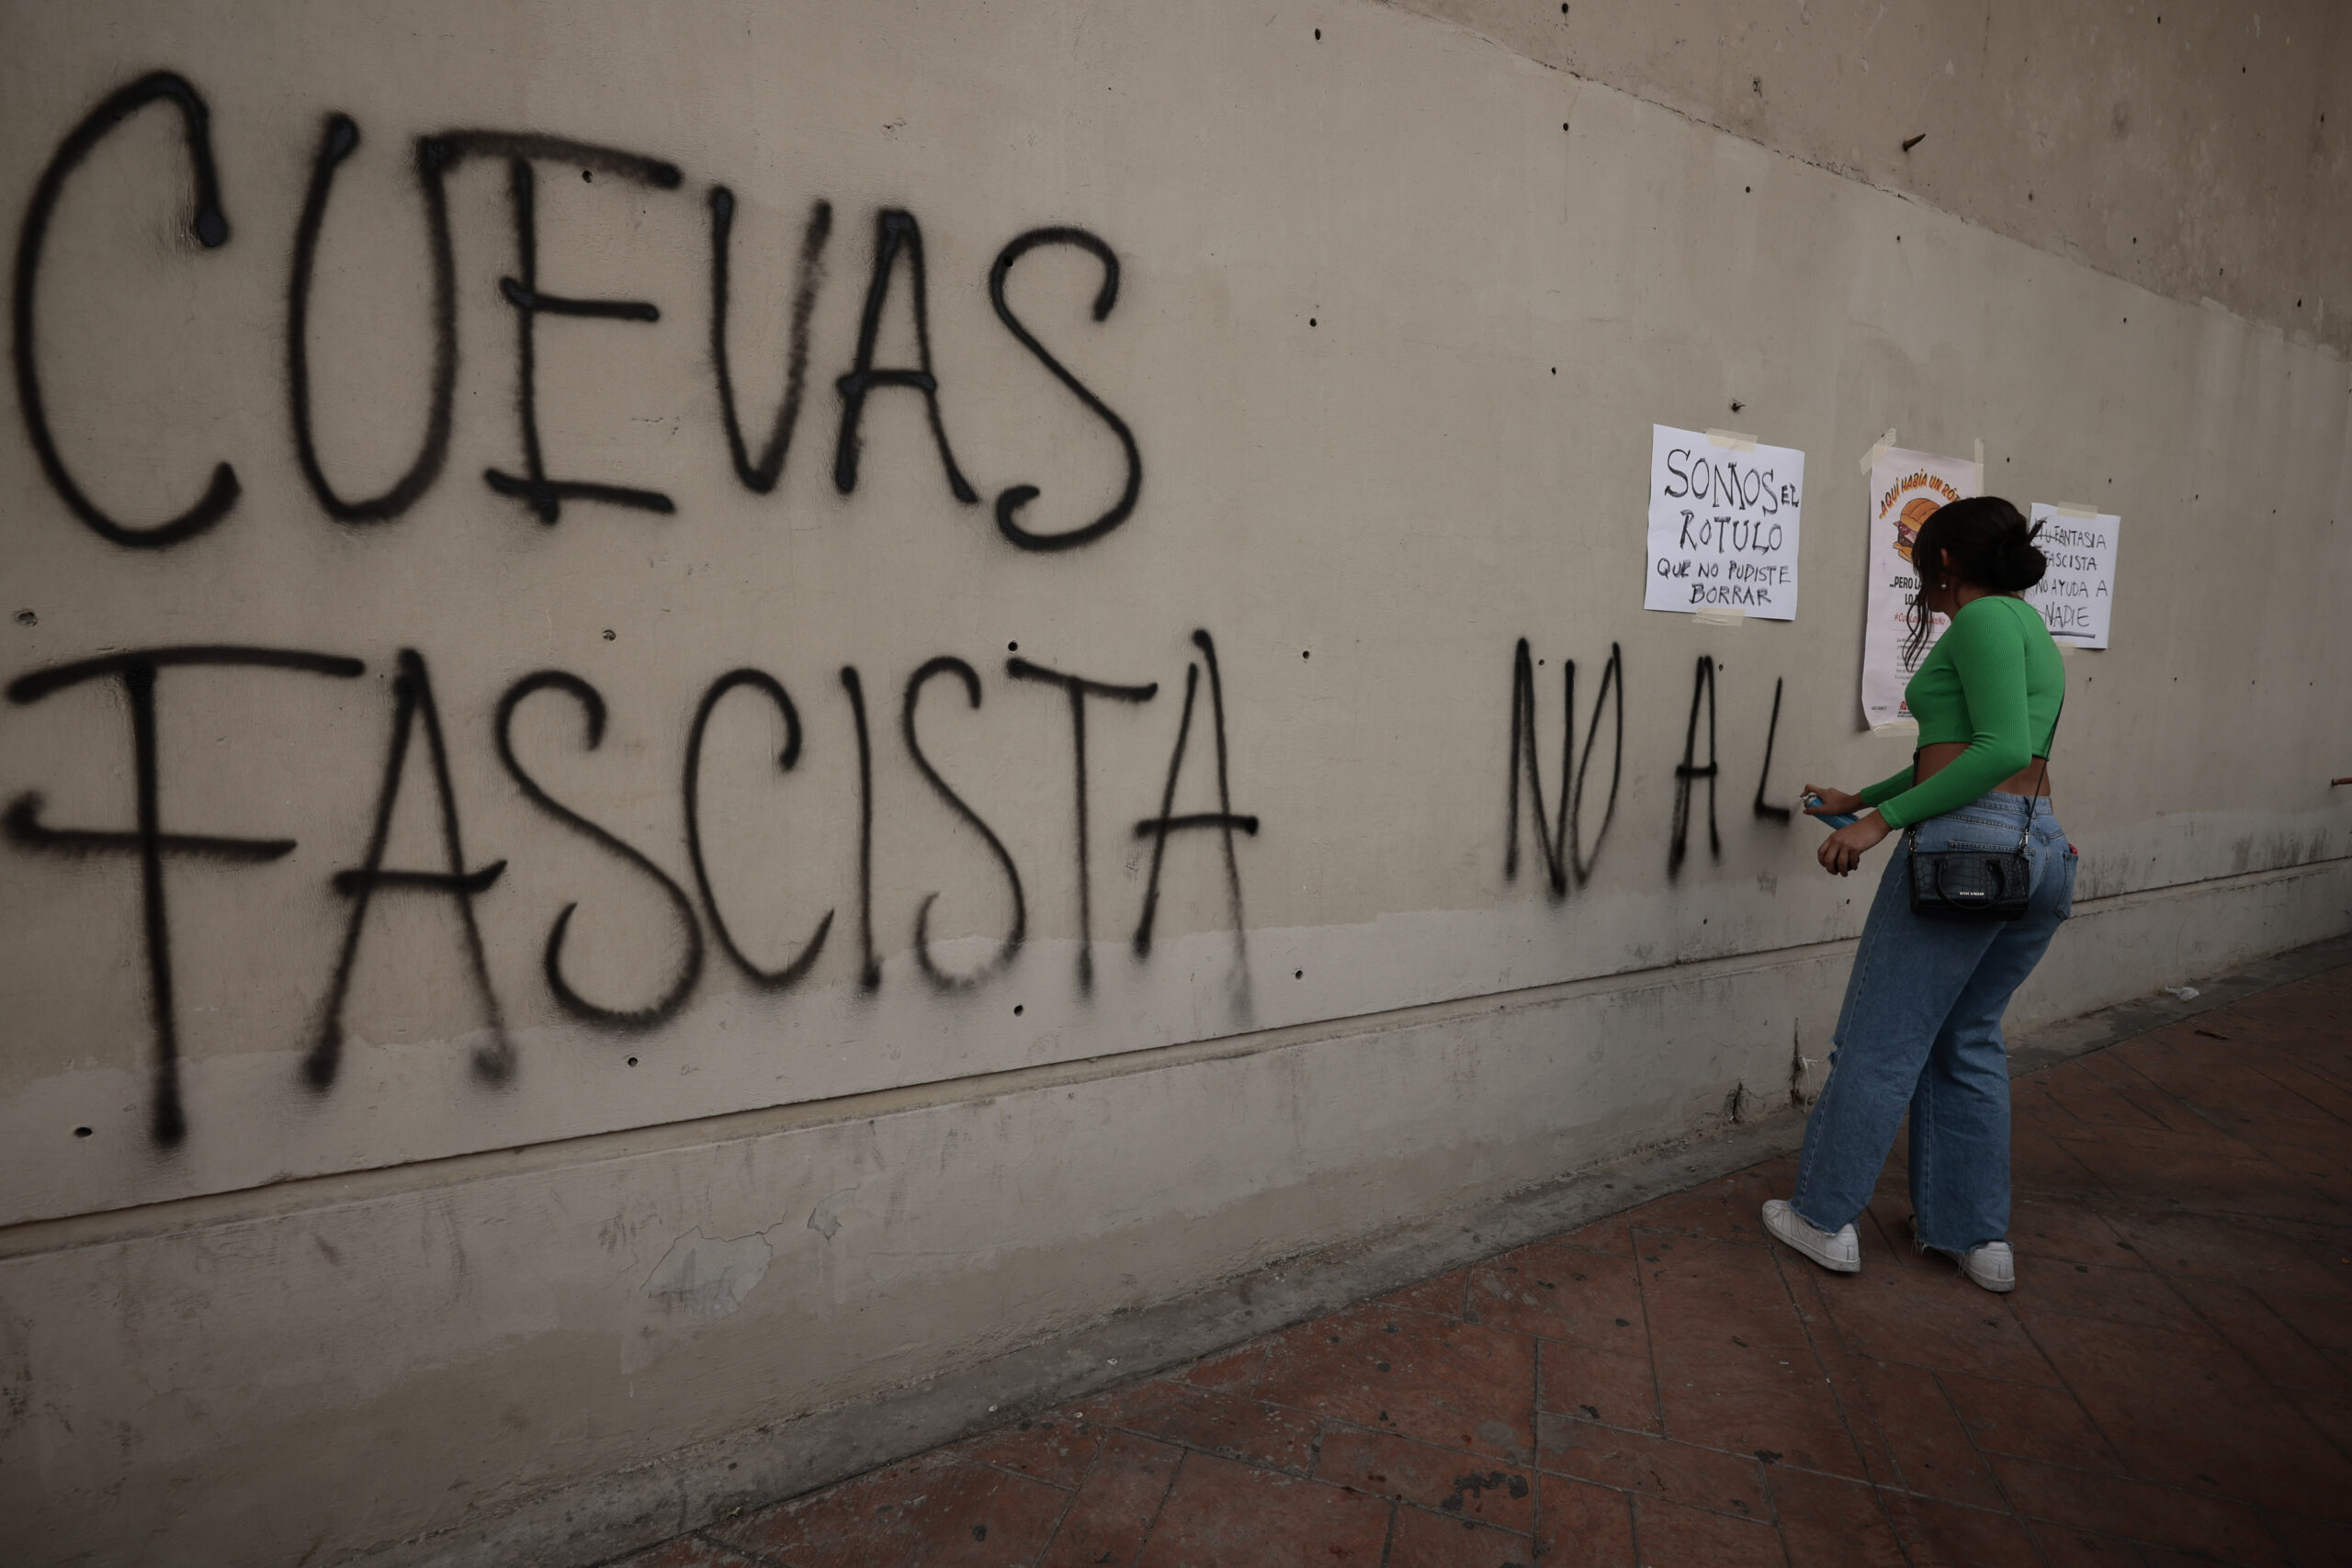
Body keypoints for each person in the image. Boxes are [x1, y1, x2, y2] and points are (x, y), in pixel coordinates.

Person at [1765, 496, 2076, 1293]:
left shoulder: (1978, 622)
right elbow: (1977, 756)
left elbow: (1995, 749)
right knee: (1966, 1037)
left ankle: (1822, 1217)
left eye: (1920, 565)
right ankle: (1976, 1238)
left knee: (1879, 1042)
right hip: (2034, 843)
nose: (1920, 584)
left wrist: (1879, 827)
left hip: (1966, 851)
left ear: (1943, 562)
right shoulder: (2026, 623)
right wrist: (1861, 798)